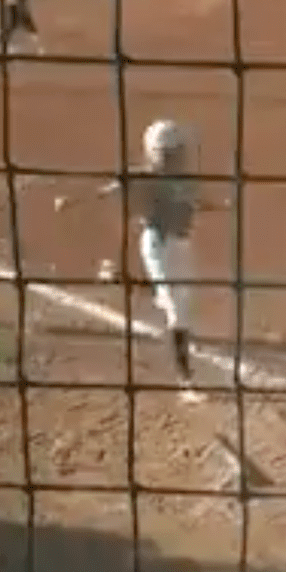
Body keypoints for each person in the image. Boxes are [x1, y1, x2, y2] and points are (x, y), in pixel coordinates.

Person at [93, 119, 203, 398]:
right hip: (159, 245)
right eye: (171, 152)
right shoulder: (146, 178)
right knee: (177, 311)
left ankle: (117, 280)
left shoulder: (184, 179)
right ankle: (185, 381)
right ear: (156, 153)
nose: (177, 156)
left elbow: (191, 204)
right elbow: (113, 190)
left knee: (176, 301)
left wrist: (220, 206)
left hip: (181, 246)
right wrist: (74, 200)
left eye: (179, 151)